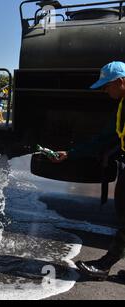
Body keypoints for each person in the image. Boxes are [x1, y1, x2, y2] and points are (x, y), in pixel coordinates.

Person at [54, 61, 125, 282]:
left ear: (120, 81)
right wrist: (72, 153)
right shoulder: (122, 104)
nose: (105, 91)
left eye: (107, 86)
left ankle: (104, 265)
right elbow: (107, 137)